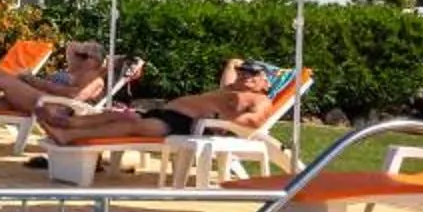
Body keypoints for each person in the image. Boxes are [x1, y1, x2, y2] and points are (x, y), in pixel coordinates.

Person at [38, 57, 279, 147]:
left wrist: (220, 122)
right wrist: (235, 64)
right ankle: (66, 125)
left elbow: (255, 120)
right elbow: (232, 64)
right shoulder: (230, 90)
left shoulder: (261, 99)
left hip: (190, 124)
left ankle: (68, 136)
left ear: (265, 83)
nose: (246, 76)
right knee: (117, 114)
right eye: (244, 72)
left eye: (254, 74)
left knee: (133, 124)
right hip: (169, 114)